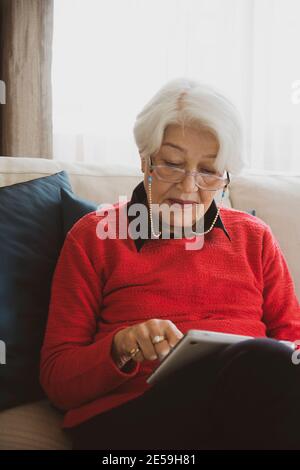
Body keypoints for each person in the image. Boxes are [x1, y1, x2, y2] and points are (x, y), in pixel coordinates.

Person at [40, 78, 300, 450]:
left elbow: (293, 347)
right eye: (173, 164)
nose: (188, 186)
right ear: (145, 161)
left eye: (208, 171)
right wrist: (121, 346)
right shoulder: (94, 236)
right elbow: (57, 380)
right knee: (263, 361)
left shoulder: (254, 238)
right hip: (135, 418)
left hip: (248, 411)